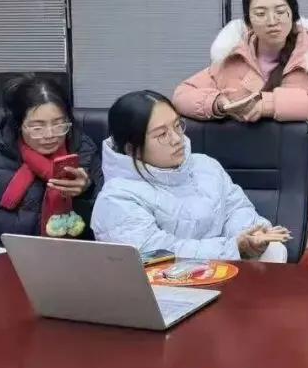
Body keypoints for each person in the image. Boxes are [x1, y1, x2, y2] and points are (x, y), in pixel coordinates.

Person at [91, 90, 290, 262]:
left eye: (177, 125)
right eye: (162, 134)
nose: (177, 139)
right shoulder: (116, 198)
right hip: (165, 287)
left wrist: (251, 236)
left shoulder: (205, 165)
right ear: (132, 149)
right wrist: (231, 248)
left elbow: (235, 209)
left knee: (274, 251)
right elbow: (153, 254)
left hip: (226, 271)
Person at [173, 0, 308, 128]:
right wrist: (218, 103)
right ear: (248, 21)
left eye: (280, 11)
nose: (272, 21)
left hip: (296, 152)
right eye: (260, 14)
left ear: (292, 14)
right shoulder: (233, 55)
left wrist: (268, 105)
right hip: (241, 152)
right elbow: (182, 95)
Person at [0, 74, 100, 245]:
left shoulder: (83, 152)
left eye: (59, 124)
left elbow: (106, 226)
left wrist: (86, 192)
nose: (50, 135)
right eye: (37, 127)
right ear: (18, 125)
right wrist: (9, 258)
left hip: (71, 256)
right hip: (2, 255)